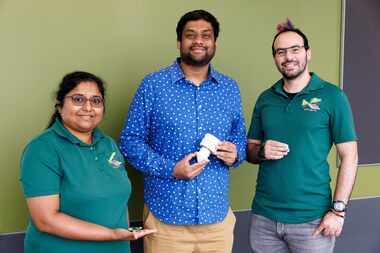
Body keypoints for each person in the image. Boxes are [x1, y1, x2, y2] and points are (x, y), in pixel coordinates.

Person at [120, 9, 246, 253]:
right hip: (167, 220)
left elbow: (238, 136)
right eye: (190, 35)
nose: (198, 40)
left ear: (215, 43)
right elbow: (129, 141)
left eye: (206, 35)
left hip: (217, 220)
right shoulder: (153, 85)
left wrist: (236, 153)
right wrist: (171, 170)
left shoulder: (229, 88)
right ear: (179, 42)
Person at [246, 21, 358, 253]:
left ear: (308, 52)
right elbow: (250, 150)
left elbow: (350, 156)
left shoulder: (332, 96)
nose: (288, 57)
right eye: (281, 52)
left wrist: (338, 211)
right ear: (275, 58)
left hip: (312, 220)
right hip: (264, 218)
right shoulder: (266, 99)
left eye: (295, 49)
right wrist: (262, 151)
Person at [20, 71, 155, 253]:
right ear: (60, 106)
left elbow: (119, 201)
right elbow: (46, 220)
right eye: (78, 99)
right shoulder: (42, 149)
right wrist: (112, 234)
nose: (88, 107)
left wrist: (120, 236)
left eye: (96, 101)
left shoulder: (108, 144)